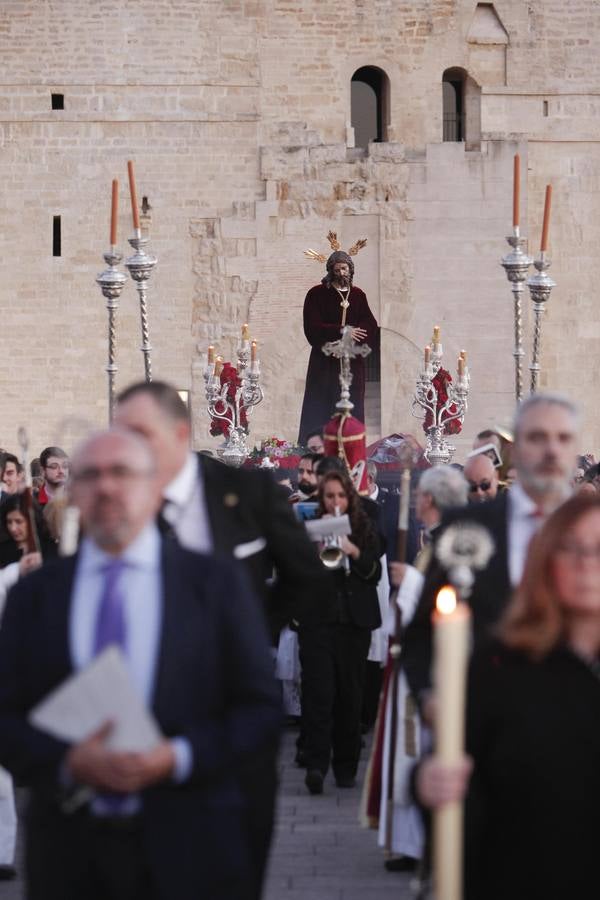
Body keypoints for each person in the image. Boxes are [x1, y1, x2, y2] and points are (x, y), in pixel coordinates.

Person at [0, 428, 281, 900]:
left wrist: (176, 756)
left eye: (123, 473)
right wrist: (67, 758)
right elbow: (6, 712)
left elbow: (259, 709)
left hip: (188, 841)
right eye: (91, 475)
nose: (107, 487)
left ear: (154, 489)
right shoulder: (36, 595)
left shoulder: (213, 586)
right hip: (69, 852)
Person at [114, 380, 325, 899]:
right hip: (134, 715)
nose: (130, 449)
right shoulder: (116, 499)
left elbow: (305, 575)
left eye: (142, 433)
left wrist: (252, 635)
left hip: (230, 714)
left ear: (180, 434)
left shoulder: (244, 495)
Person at [417, 493, 600, 900]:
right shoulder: (499, 667)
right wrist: (429, 784)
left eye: (599, 550)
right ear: (546, 561)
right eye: (571, 548)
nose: (587, 563)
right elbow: (462, 774)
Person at [402, 392, 580, 705]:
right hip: (487, 722)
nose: (551, 450)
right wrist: (431, 702)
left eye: (563, 439)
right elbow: (420, 633)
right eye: (538, 438)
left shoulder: (589, 526)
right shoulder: (467, 526)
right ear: (516, 450)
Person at [370, 466, 468, 872]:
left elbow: (446, 602)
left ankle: (416, 841)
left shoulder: (450, 544)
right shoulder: (439, 540)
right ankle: (410, 839)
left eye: (420, 498)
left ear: (428, 500)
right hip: (415, 658)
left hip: (432, 669)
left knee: (417, 751)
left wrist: (410, 580)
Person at [298, 469, 382, 795]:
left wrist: (353, 550)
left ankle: (346, 766)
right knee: (319, 695)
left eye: (341, 496)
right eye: (329, 496)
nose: (335, 502)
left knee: (350, 696)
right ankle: (316, 765)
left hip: (353, 623)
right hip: (318, 622)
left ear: (350, 498)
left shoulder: (365, 527)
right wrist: (315, 549)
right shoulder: (309, 527)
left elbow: (373, 573)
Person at [298, 249, 378, 445]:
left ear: (351, 270)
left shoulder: (358, 295)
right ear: (330, 270)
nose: (342, 273)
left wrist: (350, 340)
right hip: (324, 363)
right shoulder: (316, 294)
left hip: (351, 363)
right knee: (320, 407)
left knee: (351, 409)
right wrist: (342, 331)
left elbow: (370, 326)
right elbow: (312, 327)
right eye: (337, 269)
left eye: (345, 268)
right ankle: (316, 448)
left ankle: (350, 448)